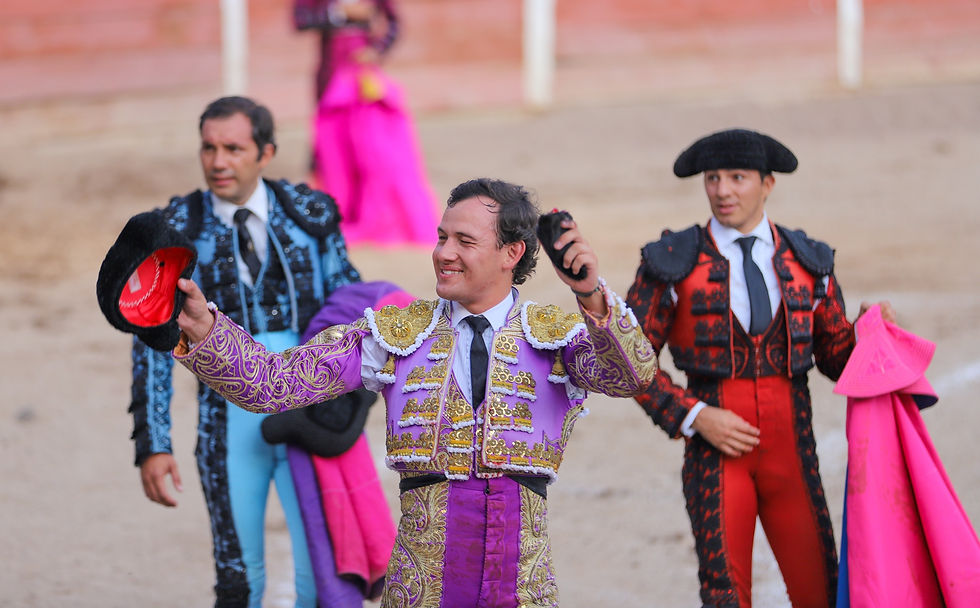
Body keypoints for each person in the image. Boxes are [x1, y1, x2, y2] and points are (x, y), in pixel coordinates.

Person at [172, 177, 658, 607]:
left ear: (511, 253)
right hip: (421, 590)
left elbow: (633, 376)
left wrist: (591, 295)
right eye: (442, 237)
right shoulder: (395, 335)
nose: (443, 253)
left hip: (523, 589)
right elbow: (271, 384)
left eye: (465, 241)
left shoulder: (556, 338)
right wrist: (203, 328)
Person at [625, 128, 896, 608]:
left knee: (821, 591)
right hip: (716, 453)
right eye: (713, 178)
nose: (722, 191)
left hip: (793, 452)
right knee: (725, 596)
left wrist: (869, 337)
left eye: (737, 177)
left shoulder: (810, 260)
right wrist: (694, 415)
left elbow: (836, 357)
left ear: (767, 184)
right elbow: (628, 360)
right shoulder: (670, 261)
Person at [128, 95, 362, 607]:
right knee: (239, 578)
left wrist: (351, 405)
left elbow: (349, 306)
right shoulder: (174, 230)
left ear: (265, 152)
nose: (218, 162)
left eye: (233, 148)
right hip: (226, 421)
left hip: (310, 409)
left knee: (321, 575)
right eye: (208, 148)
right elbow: (152, 342)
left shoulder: (310, 215)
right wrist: (154, 443)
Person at [292, 0, 439, 247]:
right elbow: (301, 19)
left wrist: (376, 51)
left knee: (371, 149)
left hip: (363, 79)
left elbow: (393, 24)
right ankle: (332, 212)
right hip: (331, 76)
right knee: (330, 150)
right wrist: (338, 12)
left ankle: (370, 213)